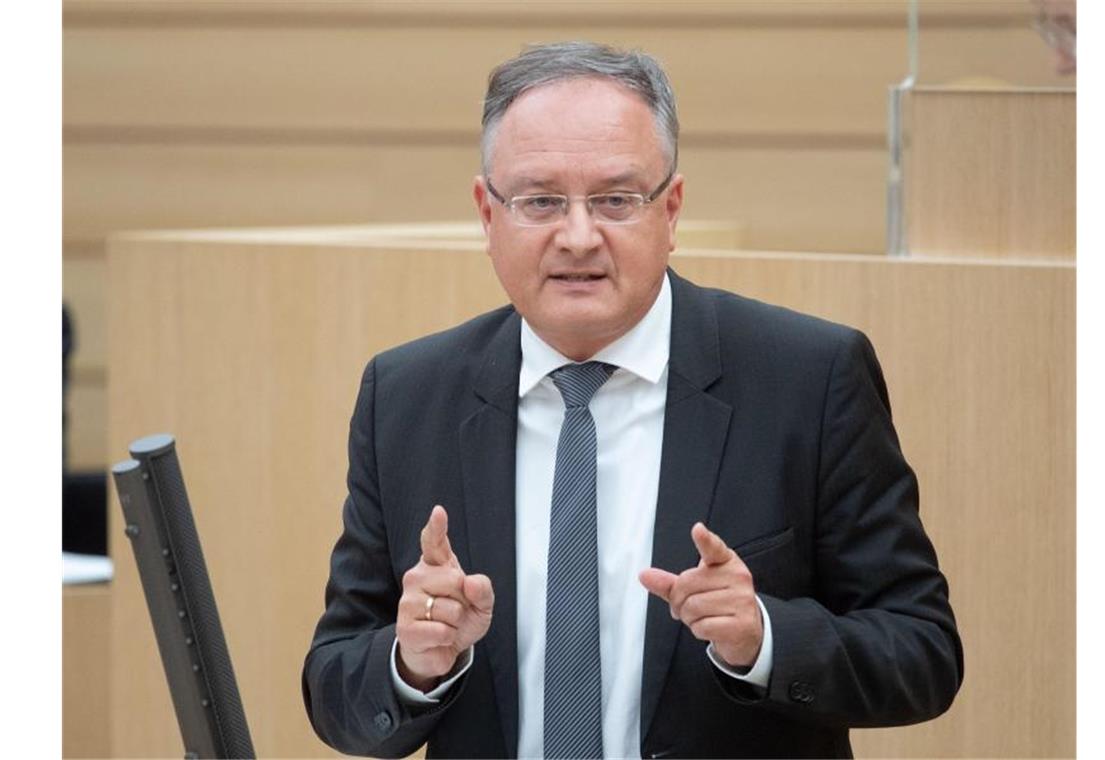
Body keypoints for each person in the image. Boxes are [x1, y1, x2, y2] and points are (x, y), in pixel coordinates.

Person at [303, 42, 962, 759]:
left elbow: (922, 652)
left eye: (616, 199)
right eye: (540, 201)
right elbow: (336, 685)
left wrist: (765, 638)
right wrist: (412, 663)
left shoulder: (809, 378)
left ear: (671, 210)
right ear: (487, 215)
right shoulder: (406, 396)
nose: (579, 236)